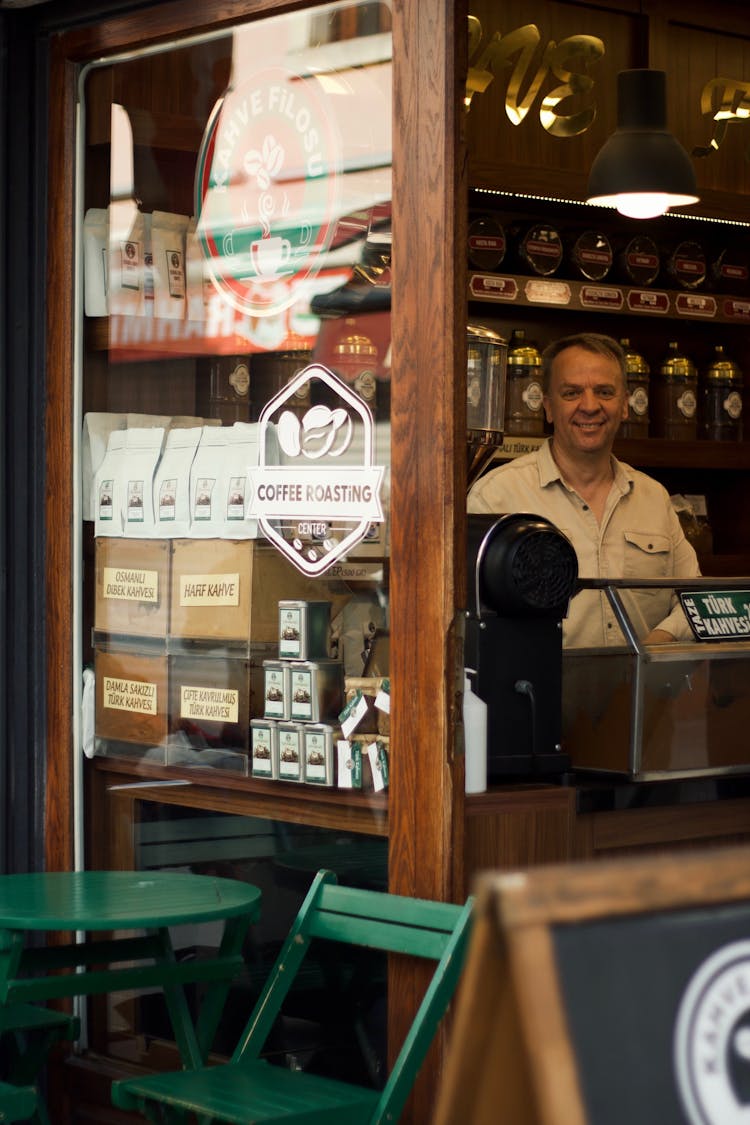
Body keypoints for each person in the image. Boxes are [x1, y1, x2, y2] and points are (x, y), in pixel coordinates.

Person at [467, 332, 700, 648]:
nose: (589, 406)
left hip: (640, 694)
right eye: (571, 393)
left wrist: (657, 643)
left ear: (625, 404)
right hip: (539, 695)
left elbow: (696, 598)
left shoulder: (654, 497)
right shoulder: (494, 497)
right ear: (548, 407)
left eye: (604, 391)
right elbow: (468, 620)